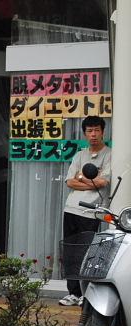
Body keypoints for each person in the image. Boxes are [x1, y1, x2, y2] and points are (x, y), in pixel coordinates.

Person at [59, 115, 112, 307]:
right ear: (84, 133)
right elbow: (69, 181)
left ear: (103, 132)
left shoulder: (110, 154)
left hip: (91, 211)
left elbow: (102, 182)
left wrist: (80, 178)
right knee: (70, 251)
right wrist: (87, 181)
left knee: (88, 252)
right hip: (71, 209)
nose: (93, 134)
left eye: (97, 130)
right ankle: (73, 293)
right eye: (89, 131)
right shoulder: (80, 155)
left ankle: (86, 293)